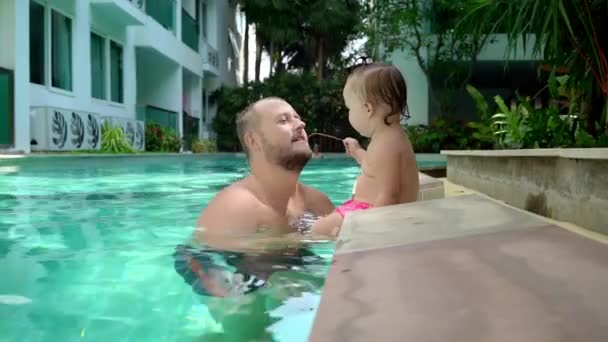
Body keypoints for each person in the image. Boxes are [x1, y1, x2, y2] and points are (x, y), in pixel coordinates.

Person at [311, 63, 419, 237]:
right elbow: (375, 166)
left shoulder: (388, 144)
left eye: (349, 108)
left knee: (317, 230)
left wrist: (373, 231)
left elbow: (390, 194)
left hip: (372, 214)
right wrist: (357, 151)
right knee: (323, 221)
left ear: (368, 109)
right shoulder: (387, 137)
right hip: (364, 209)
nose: (349, 114)